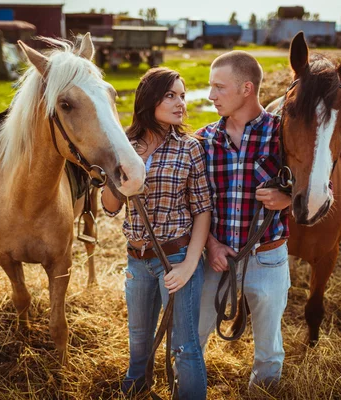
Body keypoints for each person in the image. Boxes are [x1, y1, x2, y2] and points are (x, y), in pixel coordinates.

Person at [101, 67, 212, 399]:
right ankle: (135, 391)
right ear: (150, 100)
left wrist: (189, 265)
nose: (181, 103)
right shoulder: (125, 144)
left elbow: (203, 210)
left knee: (185, 345)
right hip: (136, 260)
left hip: (176, 257)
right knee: (137, 340)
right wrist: (120, 178)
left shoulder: (190, 148)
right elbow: (109, 205)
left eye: (182, 95)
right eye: (171, 95)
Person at [195, 51, 292, 391]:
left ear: (247, 88)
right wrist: (211, 244)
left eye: (219, 87)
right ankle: (187, 389)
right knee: (194, 334)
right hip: (216, 260)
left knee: (268, 347)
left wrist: (288, 199)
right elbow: (195, 203)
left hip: (267, 257)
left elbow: (316, 187)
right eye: (210, 87)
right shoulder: (204, 140)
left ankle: (263, 394)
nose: (211, 96)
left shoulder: (284, 135)